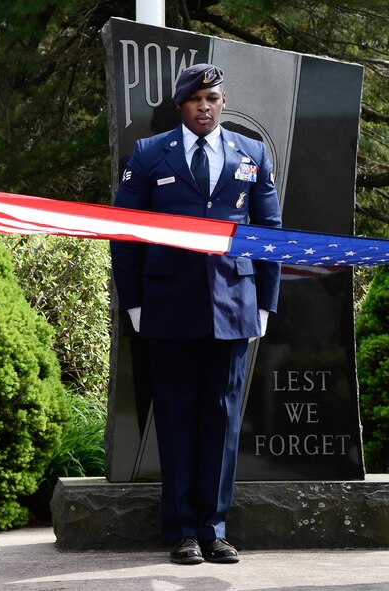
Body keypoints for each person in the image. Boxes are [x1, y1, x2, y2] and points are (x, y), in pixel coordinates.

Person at [110, 64, 282, 565]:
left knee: (223, 418)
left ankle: (214, 528)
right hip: (168, 304)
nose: (204, 107)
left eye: (212, 98)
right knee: (177, 416)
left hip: (234, 303)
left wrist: (265, 303)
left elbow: (269, 231)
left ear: (223, 102)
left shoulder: (251, 153)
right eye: (195, 100)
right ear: (181, 106)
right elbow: (125, 232)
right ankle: (183, 530)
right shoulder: (149, 153)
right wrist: (134, 302)